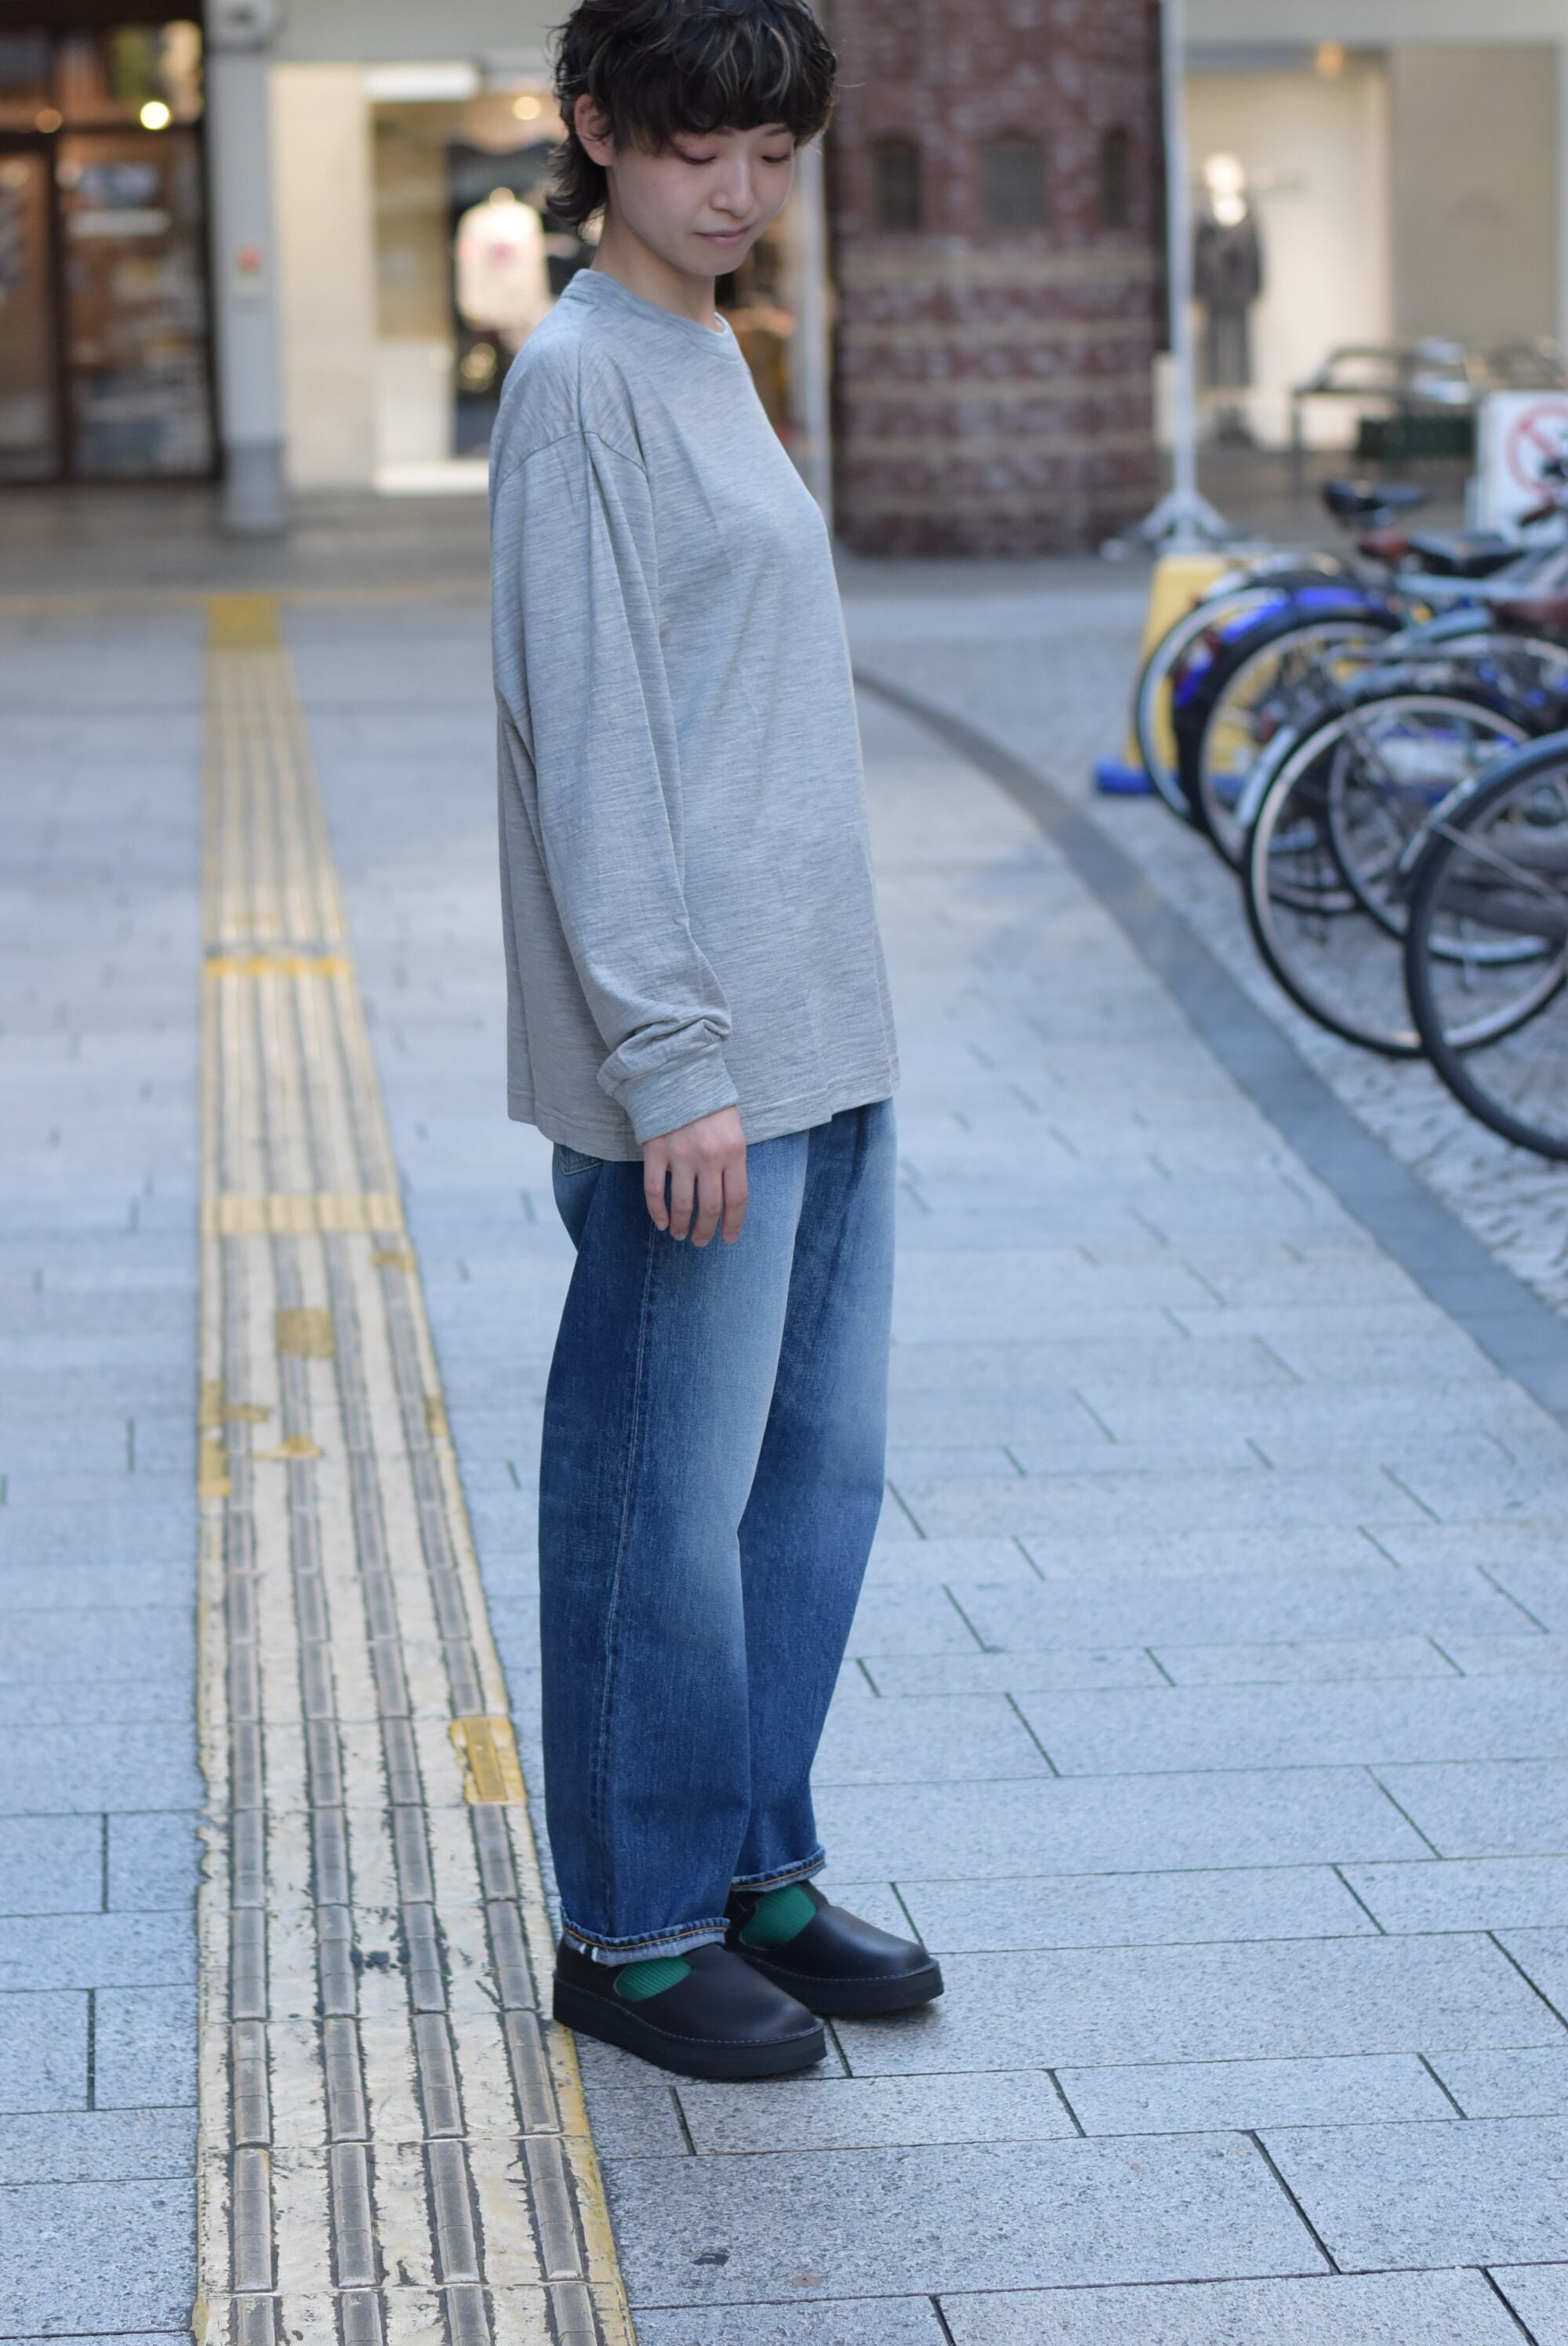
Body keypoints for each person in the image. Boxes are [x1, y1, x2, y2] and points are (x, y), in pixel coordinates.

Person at [489, 0, 942, 2080]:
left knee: (809, 1481)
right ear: (597, 129)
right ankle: (634, 1928)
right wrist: (672, 1058)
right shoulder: (581, 381)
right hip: (702, 1069)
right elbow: (592, 745)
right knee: (656, 1506)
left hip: (820, 1030)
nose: (741, 190)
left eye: (772, 152)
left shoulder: (711, 349)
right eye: (698, 148)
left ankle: (754, 1858)